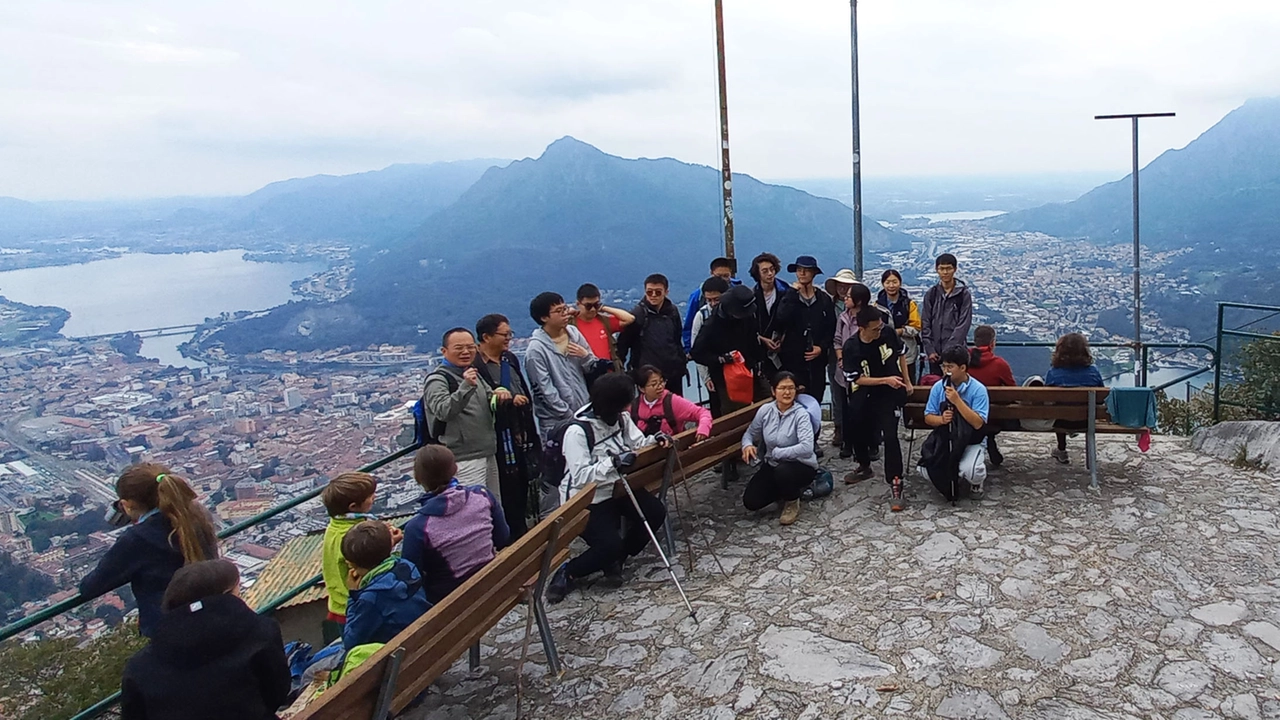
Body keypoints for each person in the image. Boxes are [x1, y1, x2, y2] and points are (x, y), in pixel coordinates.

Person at [546, 373, 670, 603]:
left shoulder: (621, 418)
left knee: (655, 512)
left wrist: (655, 439)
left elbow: (637, 443)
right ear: (611, 404)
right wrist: (612, 463)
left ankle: (618, 557)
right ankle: (569, 571)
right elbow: (582, 476)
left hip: (617, 488)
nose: (628, 407)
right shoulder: (577, 432)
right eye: (625, 403)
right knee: (607, 545)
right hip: (588, 498)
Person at [120, 559, 290, 720]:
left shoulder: (139, 668)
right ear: (225, 597)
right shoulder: (260, 632)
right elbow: (277, 693)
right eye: (238, 593)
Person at [79, 463, 218, 638]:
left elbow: (90, 587)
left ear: (127, 505)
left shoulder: (137, 539)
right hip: (213, 613)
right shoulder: (198, 516)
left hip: (170, 631)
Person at [401, 445, 509, 604]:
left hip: (453, 606)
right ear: (455, 469)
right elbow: (502, 538)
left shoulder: (418, 527)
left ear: (418, 479)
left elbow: (411, 579)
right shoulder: (481, 495)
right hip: (494, 585)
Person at [474, 313, 539, 537]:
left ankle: (521, 531)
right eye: (505, 334)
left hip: (519, 434)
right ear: (486, 337)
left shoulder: (509, 359)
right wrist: (509, 399)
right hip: (498, 438)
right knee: (504, 491)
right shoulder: (475, 366)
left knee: (521, 486)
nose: (509, 338)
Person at [320, 471, 402, 645]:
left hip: (338, 601)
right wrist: (389, 544)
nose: (374, 498)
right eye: (370, 497)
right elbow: (369, 569)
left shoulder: (336, 526)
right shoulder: (353, 538)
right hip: (355, 604)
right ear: (353, 506)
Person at [842, 305, 913, 501]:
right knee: (855, 426)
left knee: (890, 435)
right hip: (865, 391)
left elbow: (901, 353)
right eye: (875, 329)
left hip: (889, 392)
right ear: (862, 328)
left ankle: (896, 480)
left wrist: (906, 380)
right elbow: (855, 378)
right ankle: (864, 465)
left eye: (880, 327)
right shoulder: (851, 347)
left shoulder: (887, 332)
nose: (879, 331)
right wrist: (884, 380)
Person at [422, 327, 501, 498]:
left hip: (487, 451)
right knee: (474, 510)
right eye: (458, 348)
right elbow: (443, 411)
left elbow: (488, 397)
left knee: (493, 507)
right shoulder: (438, 380)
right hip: (463, 458)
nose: (466, 352)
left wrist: (499, 394)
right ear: (444, 351)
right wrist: (465, 386)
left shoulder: (472, 373)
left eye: (470, 347)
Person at [740, 372, 818, 526]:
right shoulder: (766, 410)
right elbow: (750, 433)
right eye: (782, 388)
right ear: (773, 391)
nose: (787, 392)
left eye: (791, 388)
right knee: (751, 501)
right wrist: (747, 445)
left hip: (801, 465)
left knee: (783, 471)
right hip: (773, 465)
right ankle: (787, 490)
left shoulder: (801, 414)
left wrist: (777, 453)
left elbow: (807, 448)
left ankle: (792, 501)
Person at [341, 520, 432, 649]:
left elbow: (350, 643)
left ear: (351, 564)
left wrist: (353, 595)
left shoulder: (370, 599)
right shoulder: (408, 566)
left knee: (311, 667)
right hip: (426, 639)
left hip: (396, 658)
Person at [918, 345, 991, 507]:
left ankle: (975, 482)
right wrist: (941, 420)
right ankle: (950, 479)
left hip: (971, 440)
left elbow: (978, 422)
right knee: (925, 469)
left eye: (950, 367)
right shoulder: (939, 387)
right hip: (947, 438)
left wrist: (957, 401)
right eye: (943, 366)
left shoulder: (978, 390)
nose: (945, 371)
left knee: (971, 470)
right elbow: (928, 416)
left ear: (963, 367)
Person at [526, 291, 601, 441]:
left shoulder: (573, 333)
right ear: (544, 317)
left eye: (565, 308)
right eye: (558, 311)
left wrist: (585, 356)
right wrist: (568, 415)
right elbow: (544, 389)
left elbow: (591, 365)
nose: (565, 314)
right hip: (555, 421)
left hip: (584, 410)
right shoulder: (536, 350)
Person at [775, 255, 837, 407]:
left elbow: (831, 327)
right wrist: (791, 294)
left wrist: (821, 347)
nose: (802, 273)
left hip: (817, 360)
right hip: (792, 357)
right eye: (799, 270)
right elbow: (781, 319)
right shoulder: (788, 296)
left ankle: (814, 430)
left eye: (806, 270)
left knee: (816, 398)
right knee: (794, 400)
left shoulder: (823, 299)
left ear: (814, 273)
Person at [617, 273, 687, 396]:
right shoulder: (637, 315)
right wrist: (620, 371)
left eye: (658, 292)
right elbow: (623, 344)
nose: (653, 295)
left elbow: (677, 339)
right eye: (649, 292)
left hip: (673, 373)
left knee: (677, 410)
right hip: (648, 376)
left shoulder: (673, 312)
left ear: (666, 292)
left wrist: (681, 363)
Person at [1044, 332, 1104, 465]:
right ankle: (1090, 457)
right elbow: (1100, 399)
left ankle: (1062, 449)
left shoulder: (1053, 372)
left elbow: (1048, 400)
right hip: (1086, 420)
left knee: (1059, 409)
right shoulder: (1093, 372)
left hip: (1061, 421)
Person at [967, 325, 1016, 467]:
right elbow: (1013, 391)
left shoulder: (963, 362)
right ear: (992, 343)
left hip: (966, 414)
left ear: (975, 341)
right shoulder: (1000, 364)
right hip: (995, 417)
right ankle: (989, 438)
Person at [921, 253, 974, 377]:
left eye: (948, 268)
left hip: (956, 352)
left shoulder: (963, 294)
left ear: (955, 269)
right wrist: (930, 350)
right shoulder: (932, 294)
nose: (945, 272)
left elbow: (963, 324)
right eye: (942, 269)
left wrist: (949, 351)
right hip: (935, 354)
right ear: (936, 270)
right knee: (937, 384)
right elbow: (925, 322)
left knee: (957, 383)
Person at [630, 365, 713, 440]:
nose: (660, 387)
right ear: (641, 389)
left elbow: (702, 412)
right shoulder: (634, 406)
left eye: (661, 382)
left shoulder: (672, 401)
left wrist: (703, 429)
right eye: (654, 384)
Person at [689, 275, 731, 413]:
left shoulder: (735, 311)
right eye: (709, 300)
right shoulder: (701, 316)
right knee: (718, 409)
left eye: (716, 299)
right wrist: (706, 378)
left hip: (736, 369)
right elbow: (696, 350)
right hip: (714, 370)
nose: (713, 304)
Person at [571, 283, 636, 371]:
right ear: (578, 304)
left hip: (608, 375)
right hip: (584, 373)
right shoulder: (571, 325)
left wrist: (603, 308)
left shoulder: (604, 321)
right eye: (588, 306)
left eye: (596, 305)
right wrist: (568, 311)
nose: (593, 309)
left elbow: (629, 318)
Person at [682, 257, 740, 353]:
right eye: (718, 276)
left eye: (726, 276)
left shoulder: (737, 293)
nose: (722, 279)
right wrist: (690, 350)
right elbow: (689, 324)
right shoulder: (698, 295)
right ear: (711, 273)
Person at [877, 269, 922, 382]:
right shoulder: (877, 306)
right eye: (888, 282)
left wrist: (901, 331)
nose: (891, 285)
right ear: (883, 284)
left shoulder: (909, 304)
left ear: (900, 283)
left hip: (907, 353)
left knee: (908, 383)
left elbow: (916, 327)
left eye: (894, 282)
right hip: (885, 353)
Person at [749, 252, 790, 376]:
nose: (770, 274)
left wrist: (782, 339)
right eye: (765, 271)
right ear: (758, 274)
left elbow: (792, 320)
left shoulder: (785, 292)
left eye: (772, 269)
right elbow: (748, 325)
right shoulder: (752, 296)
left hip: (783, 347)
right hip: (759, 348)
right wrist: (762, 339)